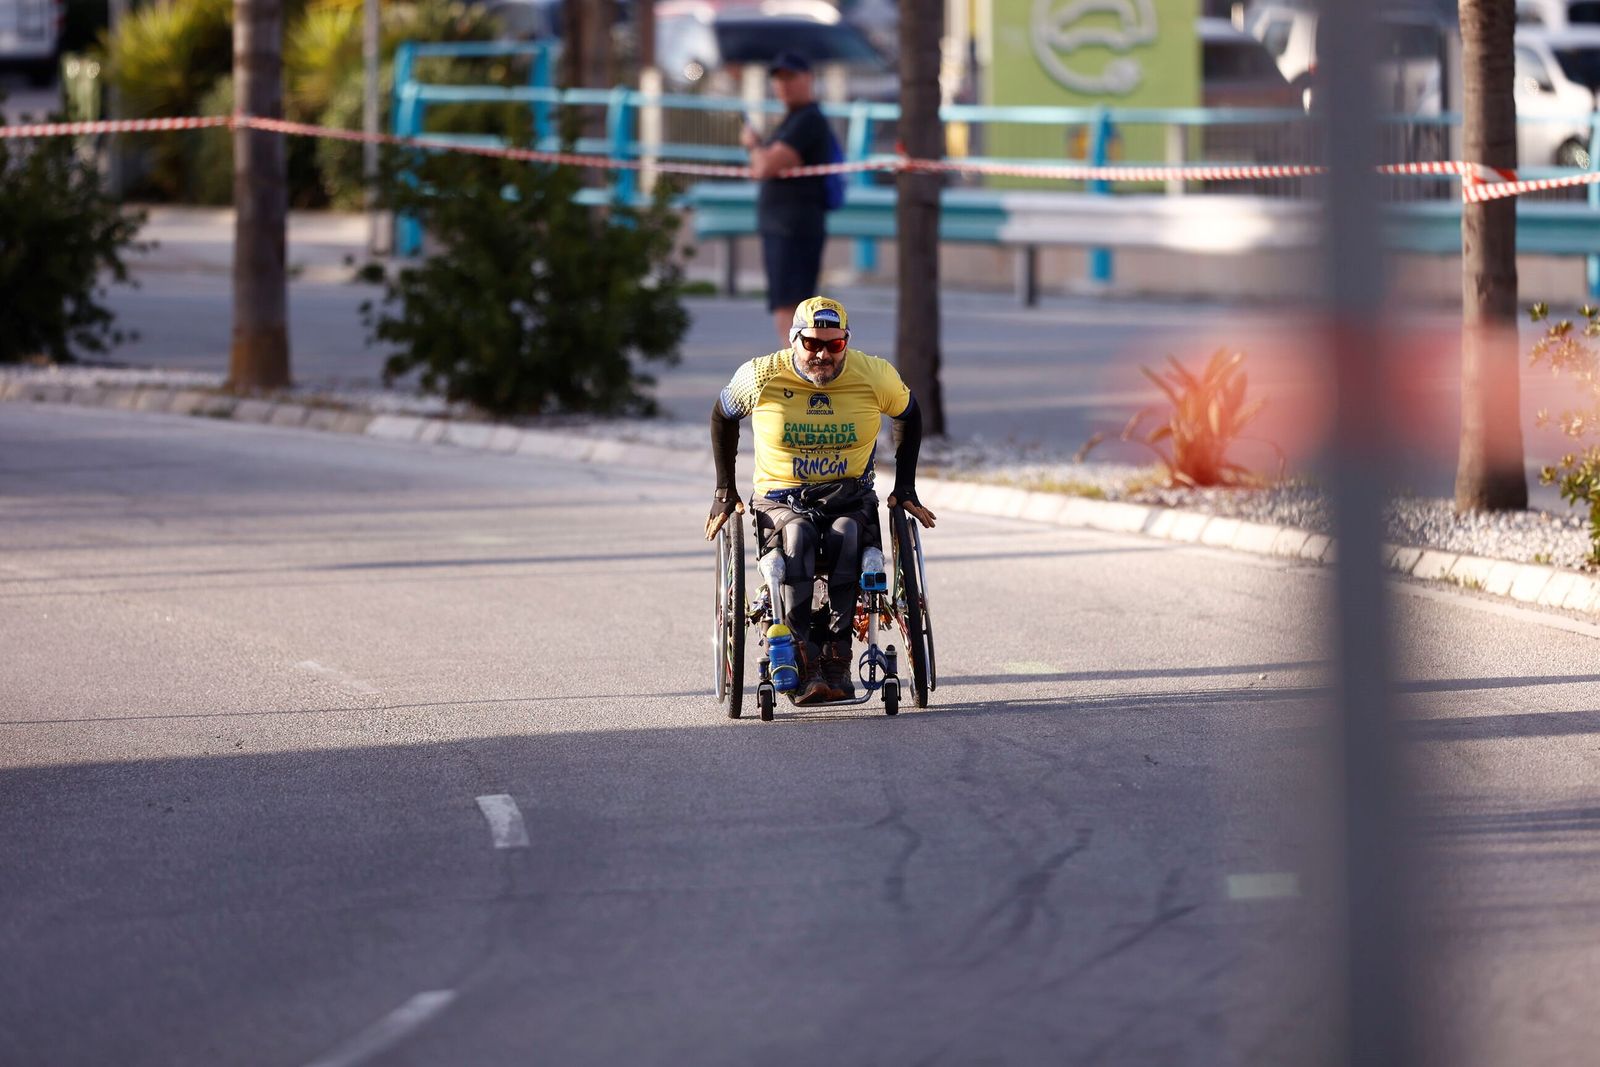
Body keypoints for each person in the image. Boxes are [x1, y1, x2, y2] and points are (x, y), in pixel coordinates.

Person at [704, 296, 937, 706]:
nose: (823, 354)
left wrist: (906, 488)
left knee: (848, 535)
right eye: (813, 344)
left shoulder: (874, 375)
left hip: (848, 496)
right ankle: (802, 658)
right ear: (795, 340)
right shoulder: (761, 375)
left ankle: (837, 660)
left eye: (835, 345)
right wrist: (725, 492)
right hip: (781, 499)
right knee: (798, 537)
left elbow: (909, 414)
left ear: (846, 341)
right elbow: (723, 415)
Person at [740, 51, 833, 342]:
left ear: (809, 78)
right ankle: (801, 372)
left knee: (790, 308)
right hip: (785, 226)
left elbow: (765, 166)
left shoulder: (808, 120)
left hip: (793, 228)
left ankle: (799, 375)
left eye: (791, 77)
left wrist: (754, 146)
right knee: (788, 304)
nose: (784, 85)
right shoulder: (792, 120)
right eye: (779, 79)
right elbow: (763, 167)